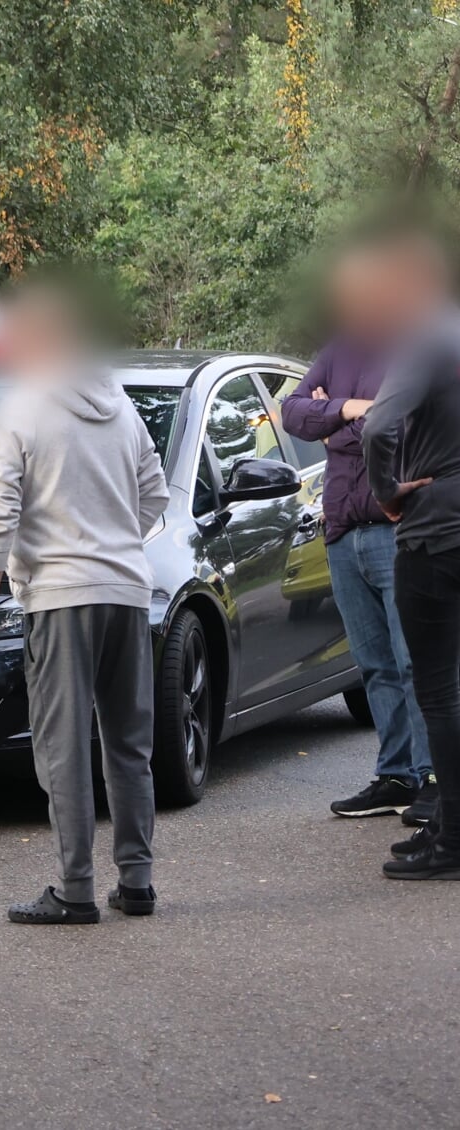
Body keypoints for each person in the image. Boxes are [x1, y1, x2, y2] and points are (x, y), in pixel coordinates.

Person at [0, 281, 170, 925]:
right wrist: (112, 545)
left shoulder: (21, 409)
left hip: (59, 598)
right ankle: (136, 882)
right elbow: (155, 494)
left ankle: (75, 888)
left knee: (63, 745)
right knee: (129, 743)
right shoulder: (120, 405)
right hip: (126, 592)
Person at [280, 251, 433, 821]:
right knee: (373, 663)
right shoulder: (339, 349)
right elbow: (292, 411)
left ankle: (431, 779)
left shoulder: (417, 349)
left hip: (399, 531)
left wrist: (337, 424)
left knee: (417, 660)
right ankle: (394, 773)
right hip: (342, 532)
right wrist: (347, 408)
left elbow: (400, 429)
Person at [356, 229, 460, 880]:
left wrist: (387, 492)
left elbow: (376, 425)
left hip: (434, 529)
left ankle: (450, 843)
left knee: (438, 691)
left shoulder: (425, 338)